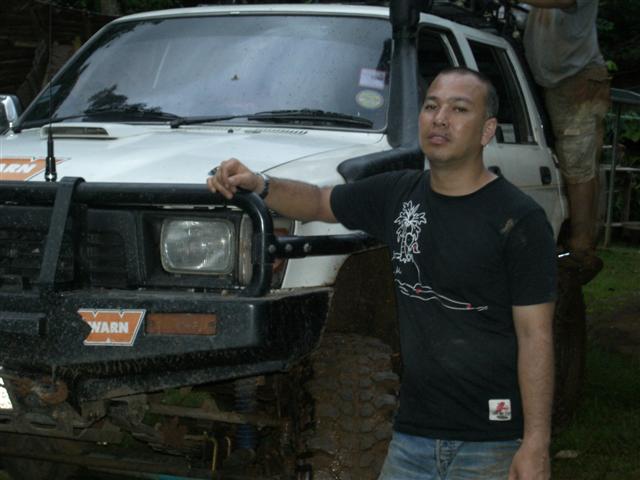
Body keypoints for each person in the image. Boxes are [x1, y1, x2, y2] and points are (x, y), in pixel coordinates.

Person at [207, 67, 557, 480]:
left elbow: (536, 336)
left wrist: (536, 442)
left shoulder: (518, 219)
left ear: (487, 130)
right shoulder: (398, 194)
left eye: (459, 109)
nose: (440, 119)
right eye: (431, 106)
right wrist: (260, 184)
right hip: (411, 436)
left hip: (491, 439)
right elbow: (319, 201)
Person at [522, 0, 611, 283]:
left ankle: (581, 249)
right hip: (555, 81)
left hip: (579, 81)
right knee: (575, 162)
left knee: (578, 162)